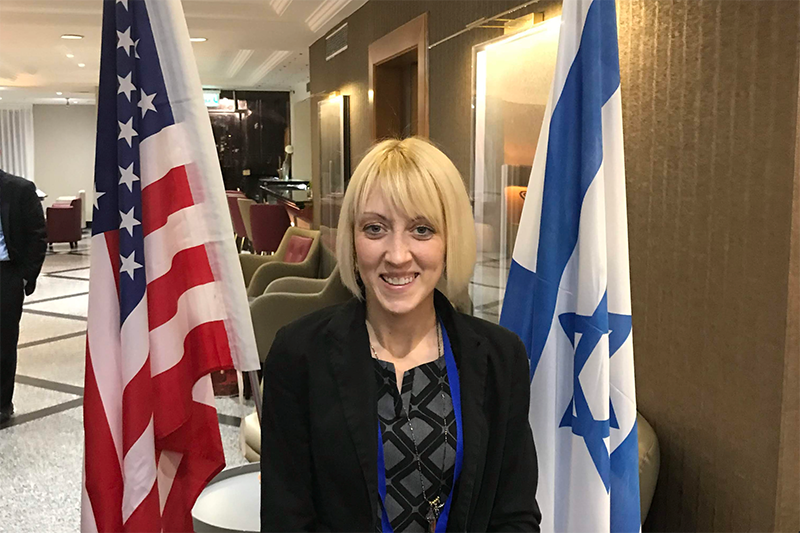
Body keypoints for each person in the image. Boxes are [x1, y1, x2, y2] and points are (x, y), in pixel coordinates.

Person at [260, 137, 541, 533]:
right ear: (353, 242)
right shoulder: (299, 354)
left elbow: (514, 515)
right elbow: (286, 519)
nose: (396, 254)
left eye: (421, 230)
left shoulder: (500, 357)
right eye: (375, 228)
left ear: (450, 240)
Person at [0, 166, 47, 425]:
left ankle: (2, 403)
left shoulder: (19, 189)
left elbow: (37, 236)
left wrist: (24, 276)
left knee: (4, 342)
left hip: (5, 274)